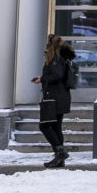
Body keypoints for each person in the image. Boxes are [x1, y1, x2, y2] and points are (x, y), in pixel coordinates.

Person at [31, 34, 76, 168]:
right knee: (56, 127)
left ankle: (60, 152)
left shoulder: (56, 58)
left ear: (51, 45)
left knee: (44, 125)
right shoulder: (62, 57)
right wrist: (43, 77)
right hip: (61, 96)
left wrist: (43, 79)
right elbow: (57, 74)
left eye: (46, 43)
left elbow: (57, 75)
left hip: (54, 97)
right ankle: (59, 159)